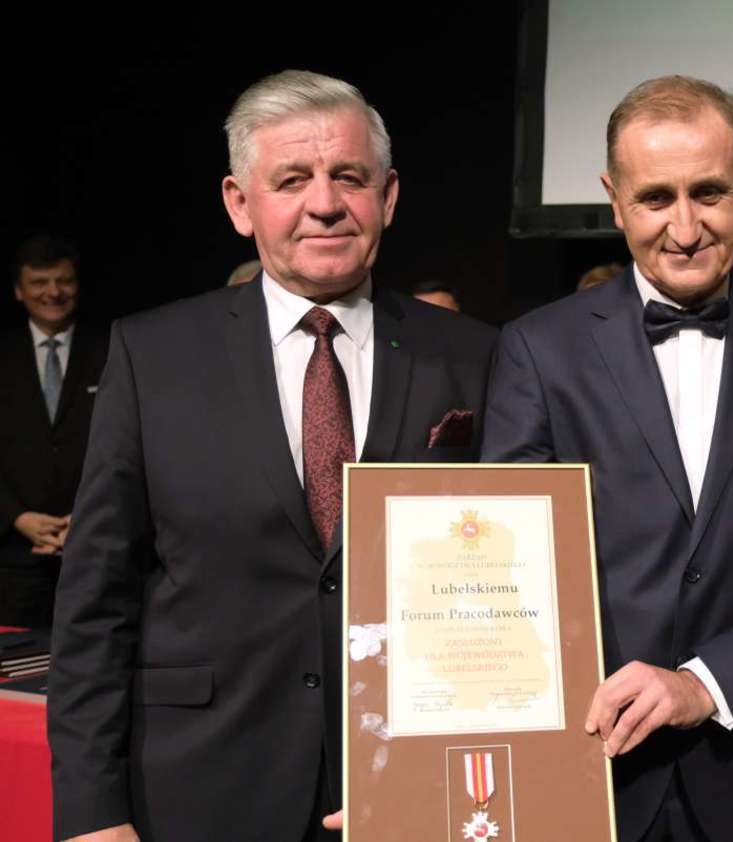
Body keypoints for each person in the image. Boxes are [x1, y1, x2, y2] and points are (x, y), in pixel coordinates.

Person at [47, 70, 496, 842]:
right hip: (202, 787)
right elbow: (97, 598)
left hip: (410, 788)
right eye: (291, 180)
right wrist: (92, 813)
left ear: (387, 196)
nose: (325, 203)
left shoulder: (476, 356)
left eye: (349, 176)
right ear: (238, 203)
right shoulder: (153, 355)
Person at [481, 75, 733, 842]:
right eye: (656, 197)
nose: (686, 227)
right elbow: (502, 567)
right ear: (614, 199)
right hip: (586, 765)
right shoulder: (537, 350)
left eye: (710, 193)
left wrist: (703, 684)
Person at [0, 236, 107, 627]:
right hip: (13, 557)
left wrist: (88, 516)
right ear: (19, 290)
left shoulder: (113, 349)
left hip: (95, 547)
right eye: (39, 282)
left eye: (64, 280)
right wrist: (17, 517)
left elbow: (129, 446)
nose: (53, 292)